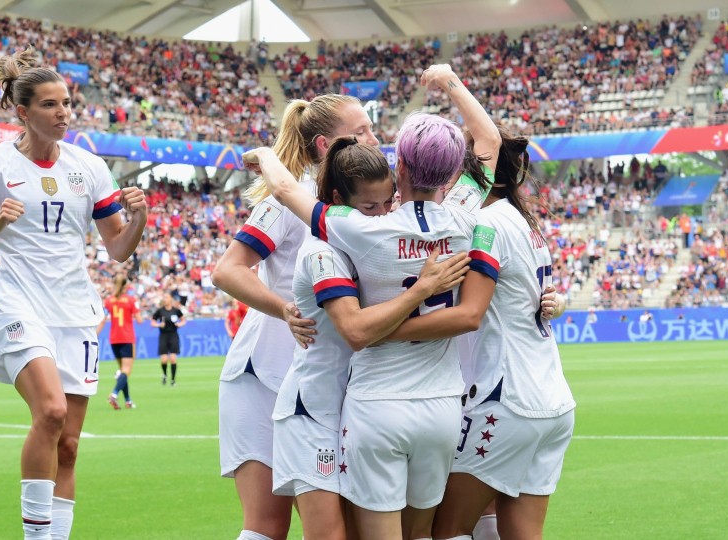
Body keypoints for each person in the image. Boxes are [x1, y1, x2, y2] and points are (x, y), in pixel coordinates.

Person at [245, 63, 500, 540]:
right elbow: (488, 142)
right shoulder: (465, 218)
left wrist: (263, 153)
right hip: (440, 404)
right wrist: (449, 82)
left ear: (398, 167)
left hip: (374, 404)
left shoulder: (361, 227)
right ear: (451, 171)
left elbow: (284, 189)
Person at [0, 48, 146, 540]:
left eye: (66, 103)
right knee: (51, 412)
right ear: (22, 111)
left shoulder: (90, 166)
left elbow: (117, 248)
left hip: (75, 311)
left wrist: (138, 218)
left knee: (70, 445)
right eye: (51, 105)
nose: (63, 114)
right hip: (19, 303)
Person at [384, 129, 575, 540]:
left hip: (507, 402)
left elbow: (470, 314)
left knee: (446, 528)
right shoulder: (525, 222)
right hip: (553, 401)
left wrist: (386, 330)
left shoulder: (484, 225)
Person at [212, 93, 379, 540]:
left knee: (336, 526)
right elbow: (227, 270)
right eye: (361, 131)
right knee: (268, 525)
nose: (374, 138)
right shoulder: (291, 198)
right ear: (326, 146)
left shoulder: (368, 202)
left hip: (323, 382)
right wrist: (284, 309)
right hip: (263, 374)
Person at [98, 274, 143, 410]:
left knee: (122, 370)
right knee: (126, 370)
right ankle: (114, 394)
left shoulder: (109, 301)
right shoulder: (131, 300)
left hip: (114, 338)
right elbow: (140, 320)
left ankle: (128, 401)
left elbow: (103, 320)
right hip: (127, 337)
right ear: (126, 286)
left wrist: (94, 335)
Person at [151, 294, 184, 386]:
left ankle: (173, 380)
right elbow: (152, 322)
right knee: (164, 360)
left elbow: (183, 320)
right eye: (164, 297)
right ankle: (165, 375)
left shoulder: (176, 310)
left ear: (171, 299)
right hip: (163, 335)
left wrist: (180, 324)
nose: (165, 299)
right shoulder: (160, 311)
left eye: (167, 297)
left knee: (173, 358)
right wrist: (158, 325)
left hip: (173, 335)